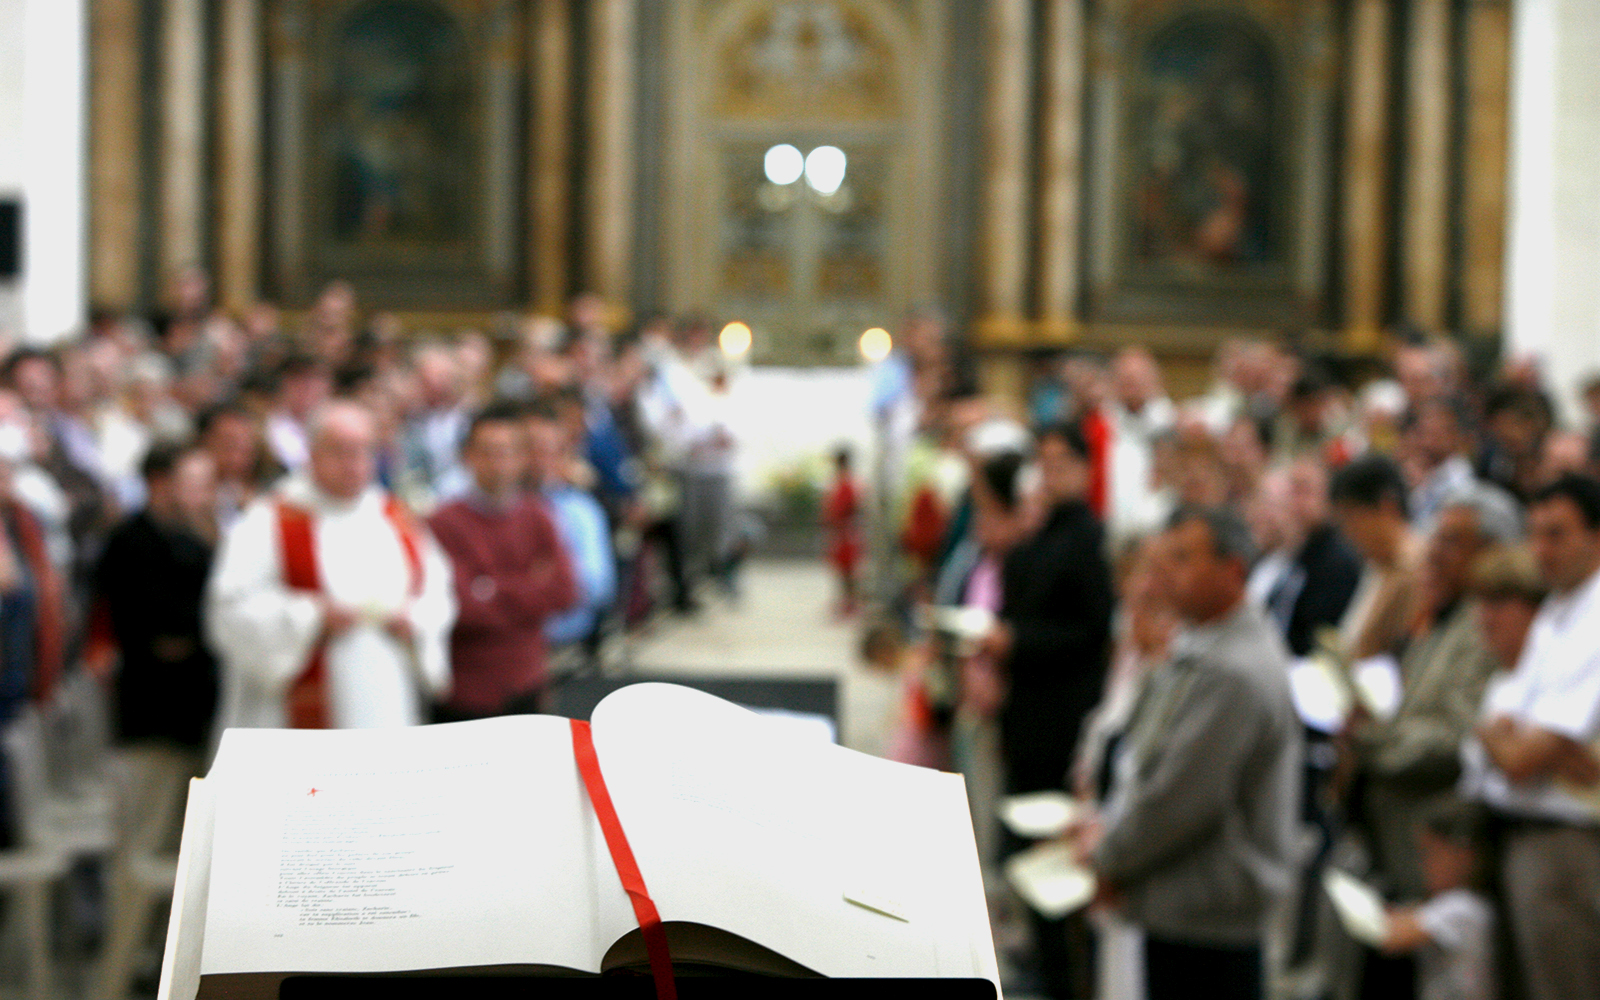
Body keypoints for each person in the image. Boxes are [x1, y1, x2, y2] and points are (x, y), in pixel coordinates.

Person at [1082, 505, 1302, 1000]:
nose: (1167, 576)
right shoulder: (1208, 644)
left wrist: (1109, 858)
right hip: (1185, 902)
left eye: (1183, 559)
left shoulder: (1234, 669)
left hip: (1209, 912)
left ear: (1233, 570)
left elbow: (1179, 800)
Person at [205, 399, 456, 731]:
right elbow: (229, 610)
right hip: (297, 710)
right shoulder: (268, 521)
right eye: (339, 451)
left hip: (385, 696)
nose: (354, 463)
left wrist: (414, 619)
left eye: (363, 450)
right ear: (311, 452)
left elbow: (438, 592)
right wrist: (312, 616)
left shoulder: (395, 517)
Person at [1462, 473, 1600, 1000]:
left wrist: (1503, 738)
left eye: (1557, 534)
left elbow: (1520, 755)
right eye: (1534, 533)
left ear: (1596, 535)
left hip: (1565, 845)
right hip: (1520, 833)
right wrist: (1499, 737)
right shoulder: (1556, 613)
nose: (1541, 549)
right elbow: (1497, 733)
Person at [428, 403, 577, 720]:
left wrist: (492, 587)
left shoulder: (539, 516)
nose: (499, 463)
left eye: (508, 451)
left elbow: (565, 590)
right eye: (488, 451)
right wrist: (529, 587)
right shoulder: (442, 523)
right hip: (466, 692)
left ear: (523, 458)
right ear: (468, 456)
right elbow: (460, 605)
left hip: (528, 682)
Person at [1378, 799, 1495, 1000]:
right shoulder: (1461, 904)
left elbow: (1391, 937)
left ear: (1463, 856)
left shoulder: (1464, 907)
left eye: (1429, 855)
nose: (1423, 866)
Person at [1329, 453, 1425, 660]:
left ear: (1386, 506)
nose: (1348, 533)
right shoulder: (1377, 566)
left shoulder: (1416, 573)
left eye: (1352, 519)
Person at [823, 445, 864, 617]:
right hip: (841, 531)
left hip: (845, 531)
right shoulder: (842, 481)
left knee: (848, 571)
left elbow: (847, 507)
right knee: (843, 570)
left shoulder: (847, 483)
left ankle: (850, 602)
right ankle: (846, 601)